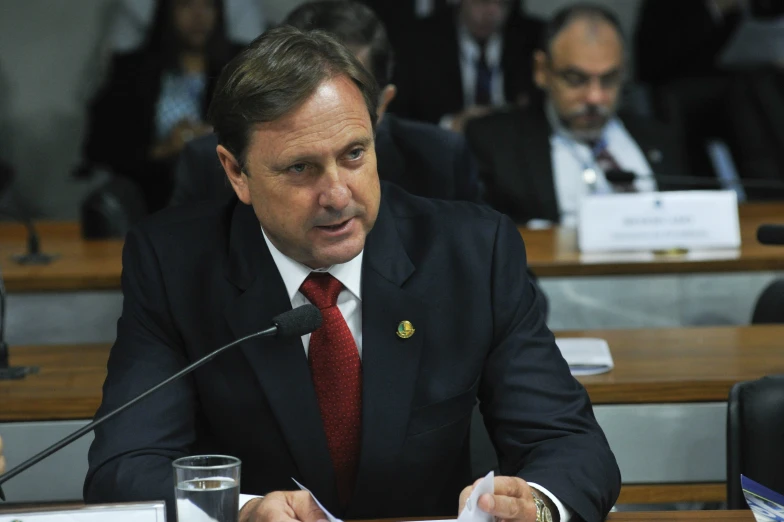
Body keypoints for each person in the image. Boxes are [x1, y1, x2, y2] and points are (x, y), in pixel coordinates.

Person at [84, 26, 620, 522]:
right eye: (300, 168)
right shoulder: (174, 265)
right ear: (235, 173)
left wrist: (541, 508)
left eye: (354, 155)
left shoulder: (473, 254)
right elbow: (124, 470)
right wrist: (241, 512)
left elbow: (570, 445)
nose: (338, 195)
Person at [169, 0, 483, 206]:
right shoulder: (208, 166)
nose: (336, 195)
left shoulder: (441, 159)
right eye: (299, 83)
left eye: (346, 93)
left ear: (383, 104)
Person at [465, 3, 688, 226]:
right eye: (575, 79)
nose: (595, 97)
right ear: (542, 70)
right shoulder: (495, 144)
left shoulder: (660, 138)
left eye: (609, 79)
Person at [82, 0, 242, 212]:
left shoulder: (241, 66)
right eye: (187, 6)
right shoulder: (132, 70)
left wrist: (207, 138)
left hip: (223, 183)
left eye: (208, 6)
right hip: (152, 188)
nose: (198, 16)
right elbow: (101, 147)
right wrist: (164, 149)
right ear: (167, 12)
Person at [391, 0, 543, 132]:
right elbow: (399, 121)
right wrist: (450, 125)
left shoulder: (532, 39)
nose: (493, 12)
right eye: (483, 1)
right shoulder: (418, 41)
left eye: (503, 3)